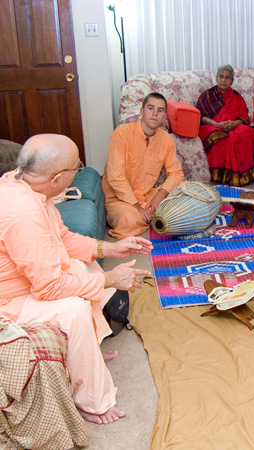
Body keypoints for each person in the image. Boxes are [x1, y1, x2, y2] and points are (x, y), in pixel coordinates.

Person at [0, 134, 154, 424]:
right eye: (77, 167)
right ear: (58, 179)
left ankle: (88, 350)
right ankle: (91, 402)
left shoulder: (24, 185)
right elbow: (50, 287)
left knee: (86, 266)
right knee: (74, 308)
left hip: (31, 281)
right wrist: (111, 279)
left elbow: (64, 238)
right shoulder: (24, 213)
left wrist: (109, 248)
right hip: (10, 303)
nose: (79, 172)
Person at [103, 92, 184, 239]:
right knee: (129, 220)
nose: (154, 114)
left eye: (160, 110)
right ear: (142, 111)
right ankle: (157, 217)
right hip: (121, 201)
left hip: (148, 197)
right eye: (150, 108)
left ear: (164, 116)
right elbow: (115, 177)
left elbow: (177, 173)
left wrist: (159, 196)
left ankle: (154, 215)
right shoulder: (122, 133)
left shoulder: (166, 139)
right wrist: (137, 207)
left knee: (188, 191)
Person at [196, 64, 254, 186]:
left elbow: (244, 117)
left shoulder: (236, 97)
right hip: (212, 126)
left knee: (247, 132)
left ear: (232, 80)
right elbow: (201, 116)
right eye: (221, 77)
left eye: (227, 77)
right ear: (217, 78)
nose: (223, 80)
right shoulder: (207, 95)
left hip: (233, 126)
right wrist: (218, 124)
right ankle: (223, 177)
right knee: (221, 140)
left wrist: (235, 123)